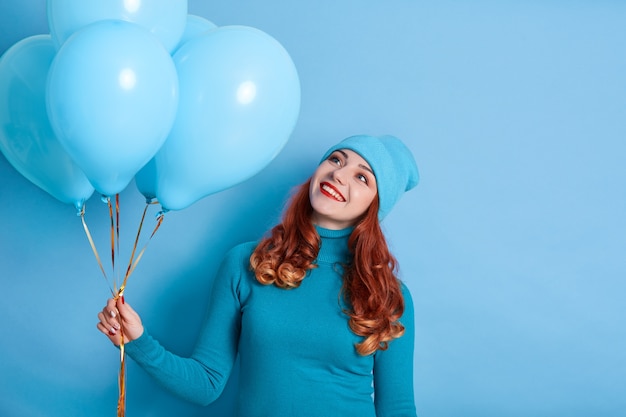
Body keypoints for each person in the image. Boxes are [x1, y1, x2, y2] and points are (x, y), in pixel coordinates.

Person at [97, 134, 420, 416]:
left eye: (362, 177)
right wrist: (137, 342)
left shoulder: (389, 296)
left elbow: (398, 410)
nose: (339, 174)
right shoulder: (245, 263)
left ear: (375, 206)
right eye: (336, 159)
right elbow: (206, 384)